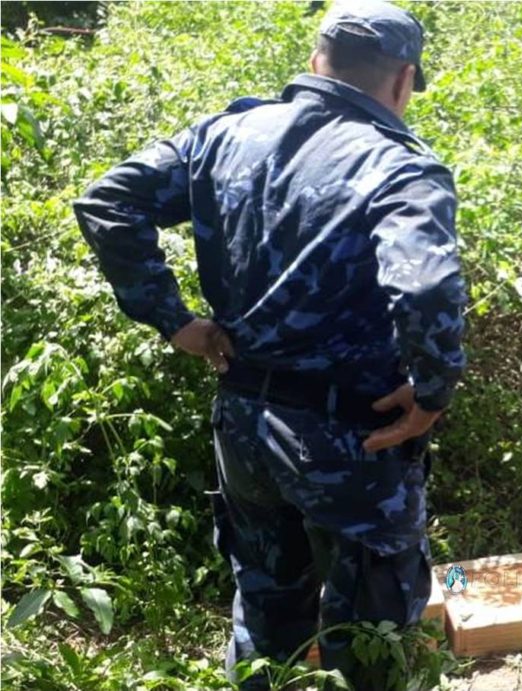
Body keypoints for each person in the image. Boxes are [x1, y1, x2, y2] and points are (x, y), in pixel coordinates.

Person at [72, 1, 466, 687]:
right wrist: (432, 392)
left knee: (264, 607)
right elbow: (427, 285)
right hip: (352, 435)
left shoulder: (221, 136)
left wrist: (176, 321)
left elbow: (110, 201)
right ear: (404, 80)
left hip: (244, 423)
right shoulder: (398, 166)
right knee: (368, 632)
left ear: (317, 60)